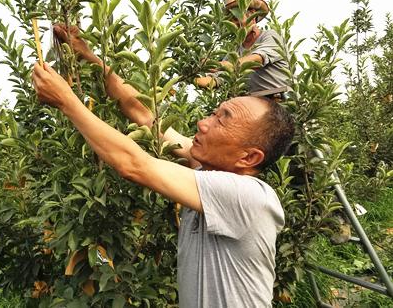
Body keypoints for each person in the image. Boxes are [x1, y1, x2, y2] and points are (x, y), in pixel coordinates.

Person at [32, 26, 295, 307]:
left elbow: (134, 164)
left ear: (249, 158)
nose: (203, 122)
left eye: (223, 120)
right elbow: (142, 113)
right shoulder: (207, 172)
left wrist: (66, 101)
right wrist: (89, 55)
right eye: (214, 112)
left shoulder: (249, 196)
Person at [196, 0, 290, 99]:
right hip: (255, 105)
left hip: (281, 102)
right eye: (232, 20)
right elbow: (217, 78)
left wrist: (216, 64)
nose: (236, 23)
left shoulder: (271, 36)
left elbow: (256, 60)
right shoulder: (235, 51)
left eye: (237, 17)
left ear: (253, 17)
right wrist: (190, 77)